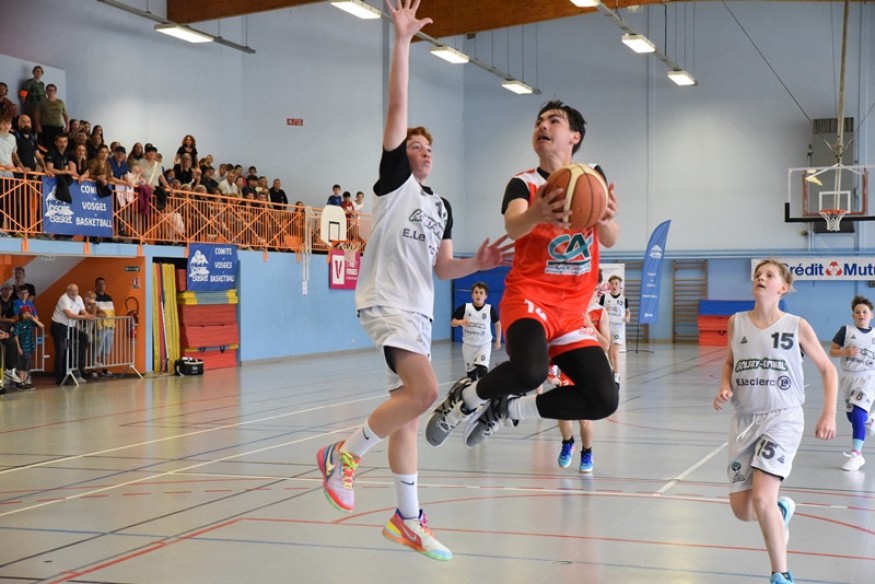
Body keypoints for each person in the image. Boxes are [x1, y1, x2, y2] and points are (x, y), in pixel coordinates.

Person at [315, 0, 511, 562]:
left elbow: (442, 268)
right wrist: (401, 41)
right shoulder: (394, 184)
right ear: (402, 156)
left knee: (409, 410)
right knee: (424, 393)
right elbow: (398, 107)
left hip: (419, 311)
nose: (423, 151)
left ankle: (406, 518)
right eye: (415, 146)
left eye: (429, 148)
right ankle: (343, 455)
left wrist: (478, 263)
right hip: (388, 302)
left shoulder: (441, 206)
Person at [426, 99, 619, 452]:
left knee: (604, 399)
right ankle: (466, 397)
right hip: (530, 298)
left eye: (554, 120)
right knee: (531, 371)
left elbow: (610, 237)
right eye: (538, 121)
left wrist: (604, 218)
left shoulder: (593, 177)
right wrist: (537, 213)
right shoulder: (523, 183)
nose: (542, 125)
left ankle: (507, 408)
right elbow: (514, 226)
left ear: (574, 136)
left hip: (572, 312)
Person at [712, 259, 836, 584]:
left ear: (783, 287)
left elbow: (828, 369)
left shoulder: (796, 325)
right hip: (744, 420)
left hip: (783, 418)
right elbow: (729, 363)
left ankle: (781, 574)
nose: (761, 278)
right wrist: (725, 386)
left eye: (769, 275)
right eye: (758, 274)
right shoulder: (737, 322)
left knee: (762, 497)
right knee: (743, 510)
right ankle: (780, 513)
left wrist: (829, 412)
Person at [554, 272, 611, 473]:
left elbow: (606, 345)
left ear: (597, 287)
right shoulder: (569, 308)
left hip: (590, 369)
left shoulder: (600, 312)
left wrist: (591, 327)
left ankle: (587, 452)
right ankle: (567, 442)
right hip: (569, 365)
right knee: (562, 411)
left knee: (584, 417)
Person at [828, 295, 875, 471]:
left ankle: (857, 454)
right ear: (853, 315)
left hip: (868, 378)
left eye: (865, 312)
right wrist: (845, 352)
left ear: (871, 315)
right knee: (852, 417)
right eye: (857, 312)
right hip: (848, 377)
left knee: (857, 414)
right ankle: (871, 420)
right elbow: (832, 351)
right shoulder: (846, 331)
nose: (861, 314)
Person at [451, 282, 501, 381]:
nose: (478, 295)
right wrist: (460, 322)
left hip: (484, 344)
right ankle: (473, 390)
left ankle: (485, 390)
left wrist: (498, 340)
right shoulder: (465, 308)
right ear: (472, 295)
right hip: (468, 346)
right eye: (476, 292)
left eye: (481, 293)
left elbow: (497, 323)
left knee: (482, 370)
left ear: (486, 296)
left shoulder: (489, 309)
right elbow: (453, 322)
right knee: (471, 376)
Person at [50, 284, 96, 385]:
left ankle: (79, 363)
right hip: (59, 327)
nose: (74, 292)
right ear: (67, 291)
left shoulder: (79, 298)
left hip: (70, 327)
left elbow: (83, 311)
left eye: (76, 290)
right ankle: (59, 377)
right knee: (61, 352)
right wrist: (85, 317)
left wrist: (90, 316)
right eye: (71, 290)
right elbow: (69, 315)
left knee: (84, 338)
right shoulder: (64, 299)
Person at [600, 274, 631, 385]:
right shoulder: (604, 298)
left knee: (615, 352)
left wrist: (627, 317)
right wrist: (604, 310)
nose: (614, 285)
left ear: (619, 285)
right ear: (609, 285)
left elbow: (628, 312)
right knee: (609, 353)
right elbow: (598, 310)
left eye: (616, 283)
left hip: (618, 327)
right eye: (612, 283)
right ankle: (614, 370)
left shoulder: (623, 299)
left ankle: (617, 376)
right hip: (606, 327)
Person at [12, 302, 43, 390]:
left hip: (29, 347)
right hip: (22, 347)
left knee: (27, 365)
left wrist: (33, 319)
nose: (27, 315)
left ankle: (24, 382)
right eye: (25, 313)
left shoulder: (30, 322)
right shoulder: (18, 323)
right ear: (21, 314)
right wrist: (18, 348)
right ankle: (21, 382)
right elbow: (15, 336)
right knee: (21, 365)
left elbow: (42, 326)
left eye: (28, 313)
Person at [34, 84, 69, 149]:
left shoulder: (60, 102)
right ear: (46, 92)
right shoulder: (42, 103)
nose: (50, 92)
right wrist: (38, 125)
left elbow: (65, 115)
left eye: (52, 90)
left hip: (59, 127)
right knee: (48, 146)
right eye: (49, 90)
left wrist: (67, 125)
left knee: (59, 145)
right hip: (47, 128)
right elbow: (37, 115)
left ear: (55, 92)